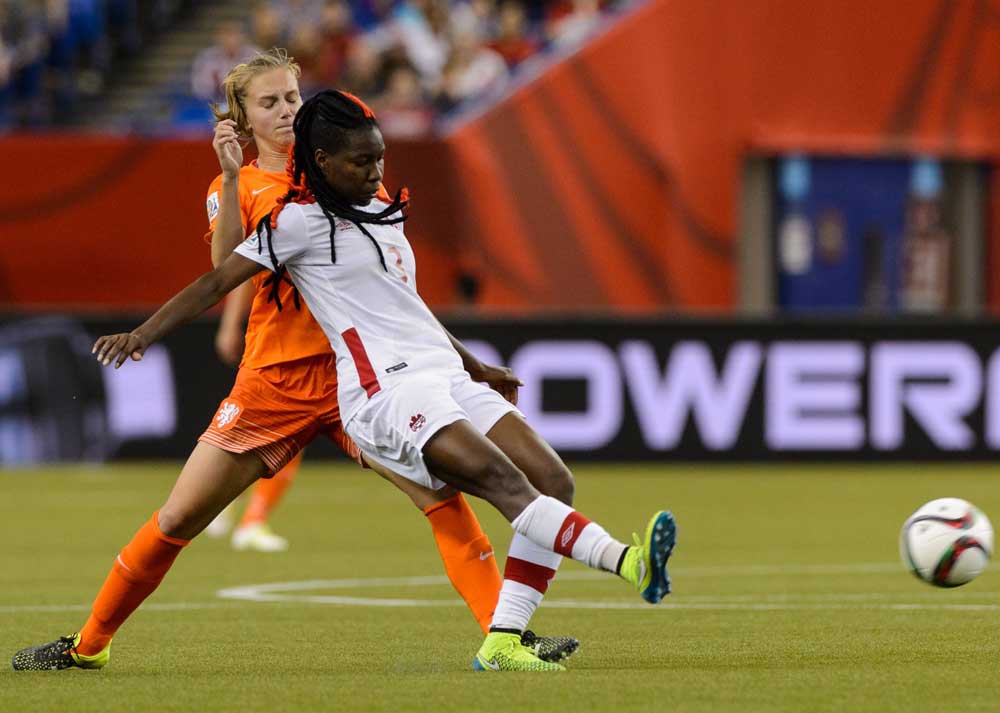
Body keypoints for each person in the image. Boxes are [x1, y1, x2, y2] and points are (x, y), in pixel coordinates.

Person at [11, 51, 576, 673]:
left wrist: (465, 363)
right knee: (177, 517)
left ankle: (506, 639)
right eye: (270, 102)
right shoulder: (243, 187)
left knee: (444, 501)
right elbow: (222, 271)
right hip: (274, 380)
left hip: (361, 379)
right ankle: (89, 644)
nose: (286, 111)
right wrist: (228, 179)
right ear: (243, 120)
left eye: (292, 98)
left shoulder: (352, 175)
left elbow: (397, 298)